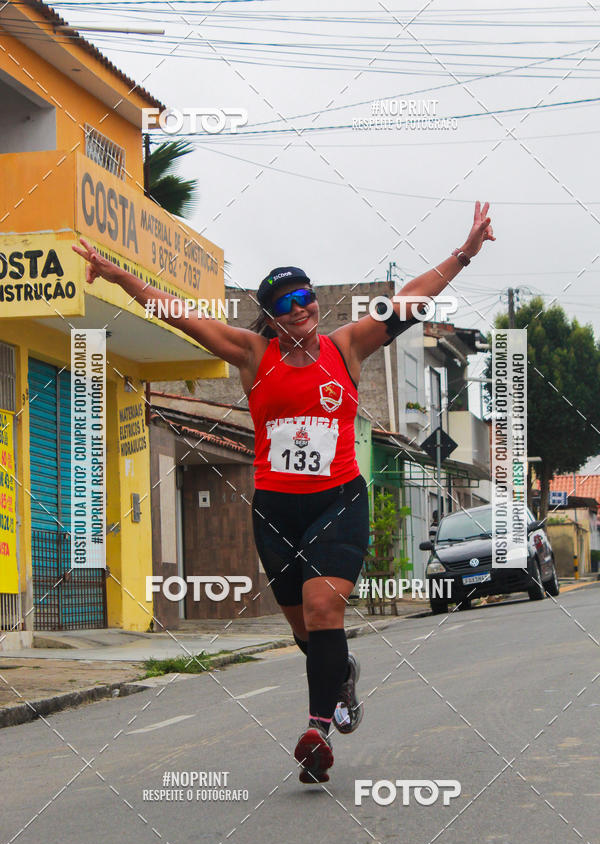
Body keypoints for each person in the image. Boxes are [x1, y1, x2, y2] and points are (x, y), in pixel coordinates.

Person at [72, 200, 494, 784]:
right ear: (270, 316)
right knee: (303, 629)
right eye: (288, 303)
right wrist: (119, 276)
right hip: (275, 509)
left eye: (308, 297)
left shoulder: (345, 347)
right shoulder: (253, 355)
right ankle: (340, 671)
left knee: (325, 608)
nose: (303, 308)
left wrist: (464, 253)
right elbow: (179, 315)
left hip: (339, 498)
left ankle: (317, 730)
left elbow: (409, 302)